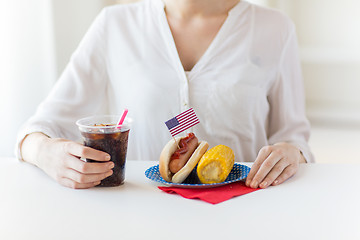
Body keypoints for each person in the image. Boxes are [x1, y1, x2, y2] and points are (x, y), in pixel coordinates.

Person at [16, 0, 314, 189]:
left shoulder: (275, 29)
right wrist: (45, 152)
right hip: (139, 213)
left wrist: (291, 152)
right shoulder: (115, 25)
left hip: (244, 211)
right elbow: (37, 129)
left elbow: (295, 138)